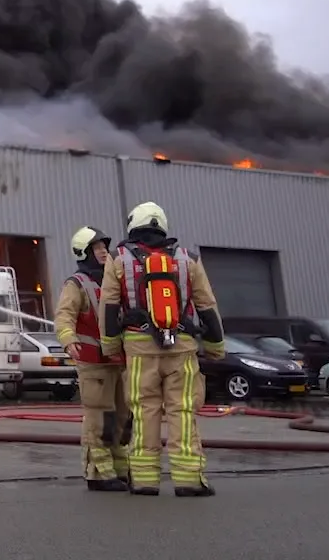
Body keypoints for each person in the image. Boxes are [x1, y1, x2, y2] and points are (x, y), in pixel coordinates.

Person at [100, 201, 227, 497]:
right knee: (182, 411)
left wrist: (110, 346)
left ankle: (145, 480)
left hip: (139, 349)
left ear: (133, 225)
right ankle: (189, 480)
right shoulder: (188, 259)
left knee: (144, 411)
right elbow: (207, 306)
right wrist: (215, 348)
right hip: (181, 348)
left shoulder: (119, 259)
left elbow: (108, 307)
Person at [54, 226, 131, 491]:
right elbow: (64, 315)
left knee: (122, 416)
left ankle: (120, 468)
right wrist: (68, 339)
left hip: (118, 361)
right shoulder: (76, 283)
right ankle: (98, 473)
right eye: (96, 247)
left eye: (103, 247)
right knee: (100, 417)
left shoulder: (114, 281)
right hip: (93, 362)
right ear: (84, 251)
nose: (102, 251)